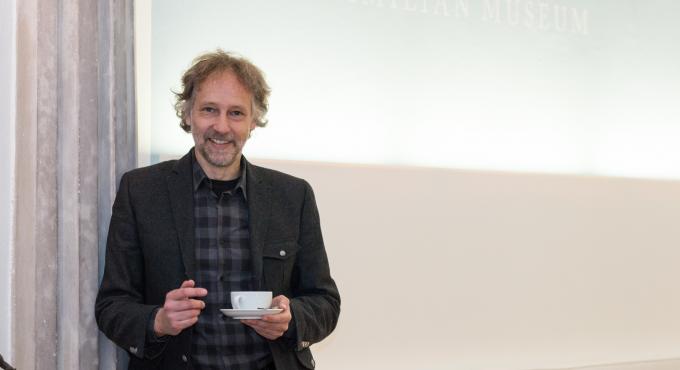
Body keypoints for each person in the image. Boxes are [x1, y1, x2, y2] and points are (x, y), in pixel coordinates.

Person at [95, 50, 340, 370]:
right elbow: (112, 305)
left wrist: (292, 319)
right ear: (187, 114)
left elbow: (325, 303)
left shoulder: (293, 196)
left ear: (254, 121)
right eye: (209, 109)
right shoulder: (140, 191)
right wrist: (159, 321)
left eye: (236, 113)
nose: (221, 126)